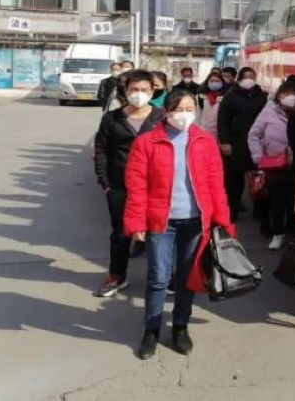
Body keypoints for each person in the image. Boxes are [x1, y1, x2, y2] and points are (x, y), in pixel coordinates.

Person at [124, 89, 235, 360]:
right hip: (160, 222)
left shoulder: (205, 140)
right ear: (166, 112)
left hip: (195, 222)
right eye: (178, 110)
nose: (184, 115)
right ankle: (151, 329)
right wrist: (136, 222)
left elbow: (216, 184)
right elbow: (137, 186)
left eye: (189, 109)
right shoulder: (147, 142)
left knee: (187, 278)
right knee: (158, 278)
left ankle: (180, 326)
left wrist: (222, 219)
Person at [93, 69, 165, 298]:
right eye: (134, 89)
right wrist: (105, 183)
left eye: (144, 89)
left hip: (156, 187)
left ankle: (163, 278)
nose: (138, 94)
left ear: (153, 91)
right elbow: (101, 150)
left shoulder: (163, 117)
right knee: (120, 234)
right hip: (120, 186)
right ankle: (117, 275)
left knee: (160, 233)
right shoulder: (111, 118)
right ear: (125, 90)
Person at [248, 81, 295, 250]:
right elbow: (254, 135)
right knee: (277, 202)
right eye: (286, 93)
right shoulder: (269, 112)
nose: (290, 97)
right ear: (279, 96)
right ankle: (278, 234)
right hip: (275, 166)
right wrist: (259, 157)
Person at [217, 67, 268, 221]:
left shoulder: (263, 97)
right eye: (246, 77)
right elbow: (223, 121)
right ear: (239, 79)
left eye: (252, 76)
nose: (249, 79)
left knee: (259, 179)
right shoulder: (230, 97)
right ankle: (232, 210)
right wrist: (224, 142)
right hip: (236, 143)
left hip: (258, 144)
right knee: (234, 180)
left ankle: (259, 212)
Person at [198, 71, 226, 139]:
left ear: (222, 83)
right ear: (207, 82)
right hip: (203, 131)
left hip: (220, 133)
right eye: (212, 81)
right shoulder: (201, 97)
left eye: (217, 81)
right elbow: (197, 115)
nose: (214, 83)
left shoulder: (226, 97)